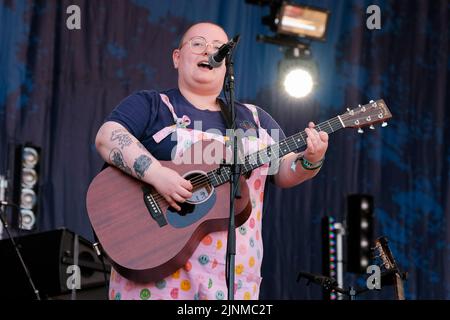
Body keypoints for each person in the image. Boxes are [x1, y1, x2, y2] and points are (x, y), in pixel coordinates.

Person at [95, 22, 328, 300]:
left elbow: (286, 170)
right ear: (177, 57)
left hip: (231, 279)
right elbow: (108, 137)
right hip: (155, 273)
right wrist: (158, 175)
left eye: (219, 48)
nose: (209, 51)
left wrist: (311, 160)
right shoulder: (152, 105)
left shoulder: (255, 119)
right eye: (198, 44)